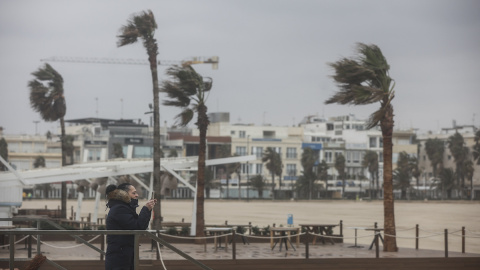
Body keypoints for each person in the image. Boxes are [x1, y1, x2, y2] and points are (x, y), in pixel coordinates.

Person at [105, 183, 156, 270]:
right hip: (120, 256)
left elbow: (139, 227)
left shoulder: (123, 207)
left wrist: (147, 209)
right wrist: (146, 209)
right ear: (124, 194)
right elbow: (137, 227)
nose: (137, 195)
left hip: (123, 253)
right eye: (134, 193)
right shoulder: (120, 208)